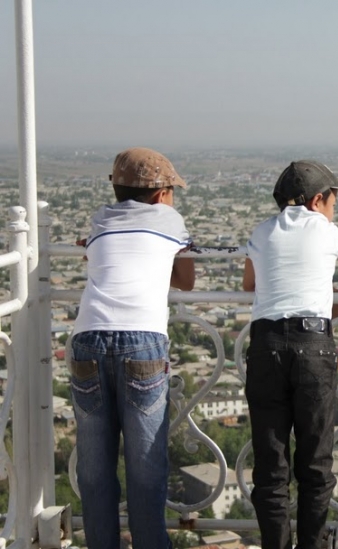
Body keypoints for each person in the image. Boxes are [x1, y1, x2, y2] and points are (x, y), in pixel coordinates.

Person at [243, 160, 338, 549]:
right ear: (318, 200)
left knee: (271, 468)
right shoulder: (328, 230)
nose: (336, 209)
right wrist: (327, 308)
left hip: (265, 345)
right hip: (313, 346)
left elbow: (249, 284)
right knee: (315, 466)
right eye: (334, 200)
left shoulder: (262, 232)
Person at [69, 147, 195, 549]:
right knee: (145, 468)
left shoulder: (101, 220)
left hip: (87, 339)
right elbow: (187, 280)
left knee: (94, 468)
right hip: (142, 343)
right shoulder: (169, 219)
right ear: (161, 194)